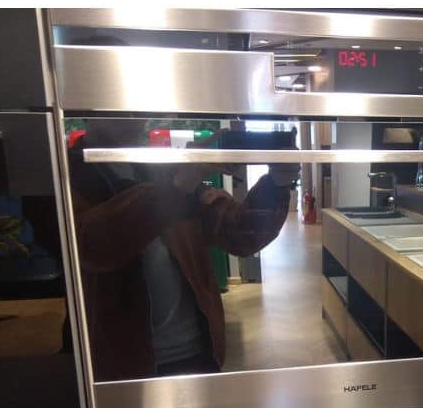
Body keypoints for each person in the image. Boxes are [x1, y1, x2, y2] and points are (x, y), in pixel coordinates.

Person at [68, 119, 298, 381]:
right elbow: (90, 246)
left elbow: (240, 235)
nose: (134, 113)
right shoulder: (64, 172)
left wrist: (276, 185)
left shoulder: (163, 168)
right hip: (114, 365)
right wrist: (177, 187)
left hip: (196, 350)